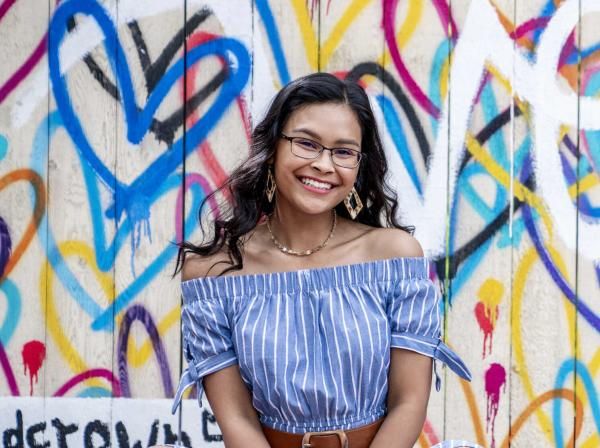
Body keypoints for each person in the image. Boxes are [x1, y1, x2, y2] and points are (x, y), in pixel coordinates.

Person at [171, 73, 471, 448]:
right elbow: (237, 417)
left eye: (344, 151)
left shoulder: (395, 258)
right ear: (272, 148)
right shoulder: (214, 275)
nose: (324, 164)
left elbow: (408, 402)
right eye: (306, 144)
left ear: (360, 164)